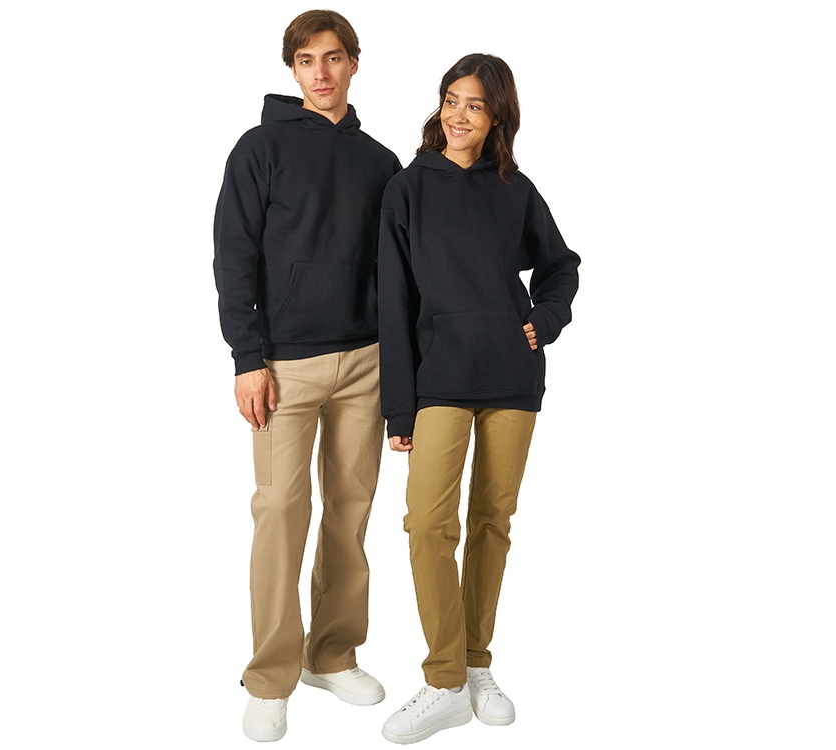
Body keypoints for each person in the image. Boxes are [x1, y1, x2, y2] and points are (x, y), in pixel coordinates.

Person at [377, 53, 581, 744]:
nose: (458, 115)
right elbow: (393, 303)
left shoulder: (514, 190)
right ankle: (443, 680)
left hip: (512, 378)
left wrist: (544, 321)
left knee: (493, 522)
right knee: (428, 526)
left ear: (497, 117)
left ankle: (474, 664)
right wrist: (399, 407)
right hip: (439, 378)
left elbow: (560, 266)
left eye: (475, 104)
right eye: (450, 100)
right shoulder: (407, 189)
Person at [212, 9, 401, 743]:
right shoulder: (259, 148)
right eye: (305, 60)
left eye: (332, 57)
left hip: (366, 364)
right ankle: (270, 677)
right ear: (292, 69)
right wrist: (246, 357)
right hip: (283, 366)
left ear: (355, 62)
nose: (320, 72)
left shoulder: (381, 162)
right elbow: (235, 256)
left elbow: (399, 271)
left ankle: (332, 654)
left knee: (350, 515)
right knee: (280, 516)